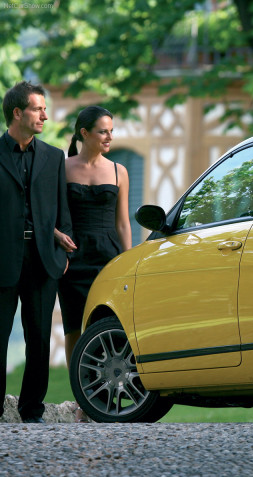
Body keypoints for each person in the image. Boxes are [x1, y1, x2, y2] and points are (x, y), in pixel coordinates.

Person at [0, 81, 74, 423]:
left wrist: (63, 255)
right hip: (3, 260)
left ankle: (32, 411)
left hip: (44, 260)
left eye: (45, 108)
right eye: (37, 109)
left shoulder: (54, 157)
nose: (45, 115)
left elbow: (63, 214)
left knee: (40, 340)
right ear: (18, 113)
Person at [55, 105, 131, 422]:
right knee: (74, 328)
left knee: (110, 325)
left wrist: (129, 263)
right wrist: (56, 235)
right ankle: (82, 398)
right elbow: (50, 213)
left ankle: (106, 395)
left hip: (109, 257)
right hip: (73, 258)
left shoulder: (119, 171)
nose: (109, 136)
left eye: (111, 130)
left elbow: (123, 223)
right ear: (84, 133)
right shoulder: (62, 167)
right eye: (103, 131)